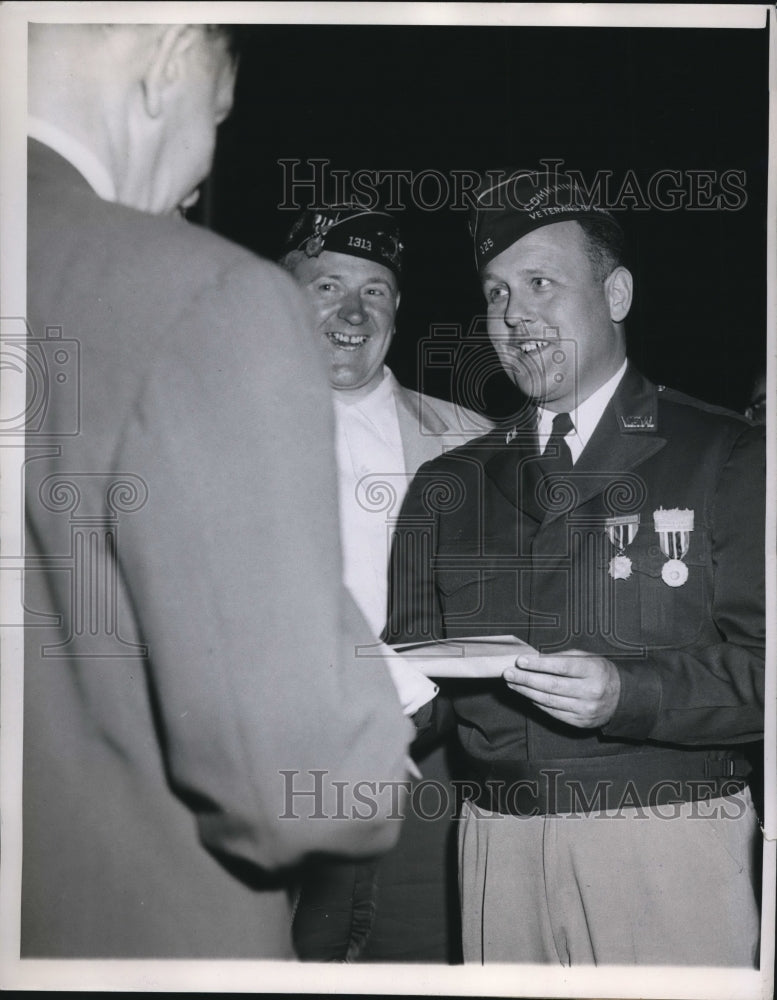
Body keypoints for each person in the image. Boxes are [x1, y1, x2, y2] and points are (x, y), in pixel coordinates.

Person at [23, 23, 413, 958]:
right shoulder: (203, 298)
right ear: (169, 58)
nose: (201, 173)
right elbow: (297, 786)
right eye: (219, 113)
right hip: (140, 932)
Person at [385, 169, 765, 966]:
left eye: (539, 284)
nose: (513, 314)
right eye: (494, 293)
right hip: (495, 847)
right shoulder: (446, 487)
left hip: (668, 842)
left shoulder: (728, 456)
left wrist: (631, 695)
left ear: (616, 294)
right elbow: (422, 689)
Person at [279, 204, 491, 962]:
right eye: (327, 284)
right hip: (270, 756)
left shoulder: (472, 442)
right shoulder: (211, 423)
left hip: (433, 762)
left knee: (421, 957)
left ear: (397, 311)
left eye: (374, 290)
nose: (350, 310)